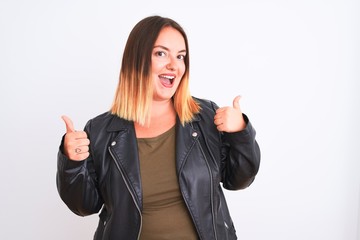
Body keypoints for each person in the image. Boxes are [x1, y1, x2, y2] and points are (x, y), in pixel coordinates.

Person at [57, 15, 261, 240]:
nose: (174, 65)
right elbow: (85, 206)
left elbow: (239, 179)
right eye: (161, 53)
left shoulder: (205, 117)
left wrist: (241, 132)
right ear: (136, 59)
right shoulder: (100, 130)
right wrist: (72, 163)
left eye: (180, 56)